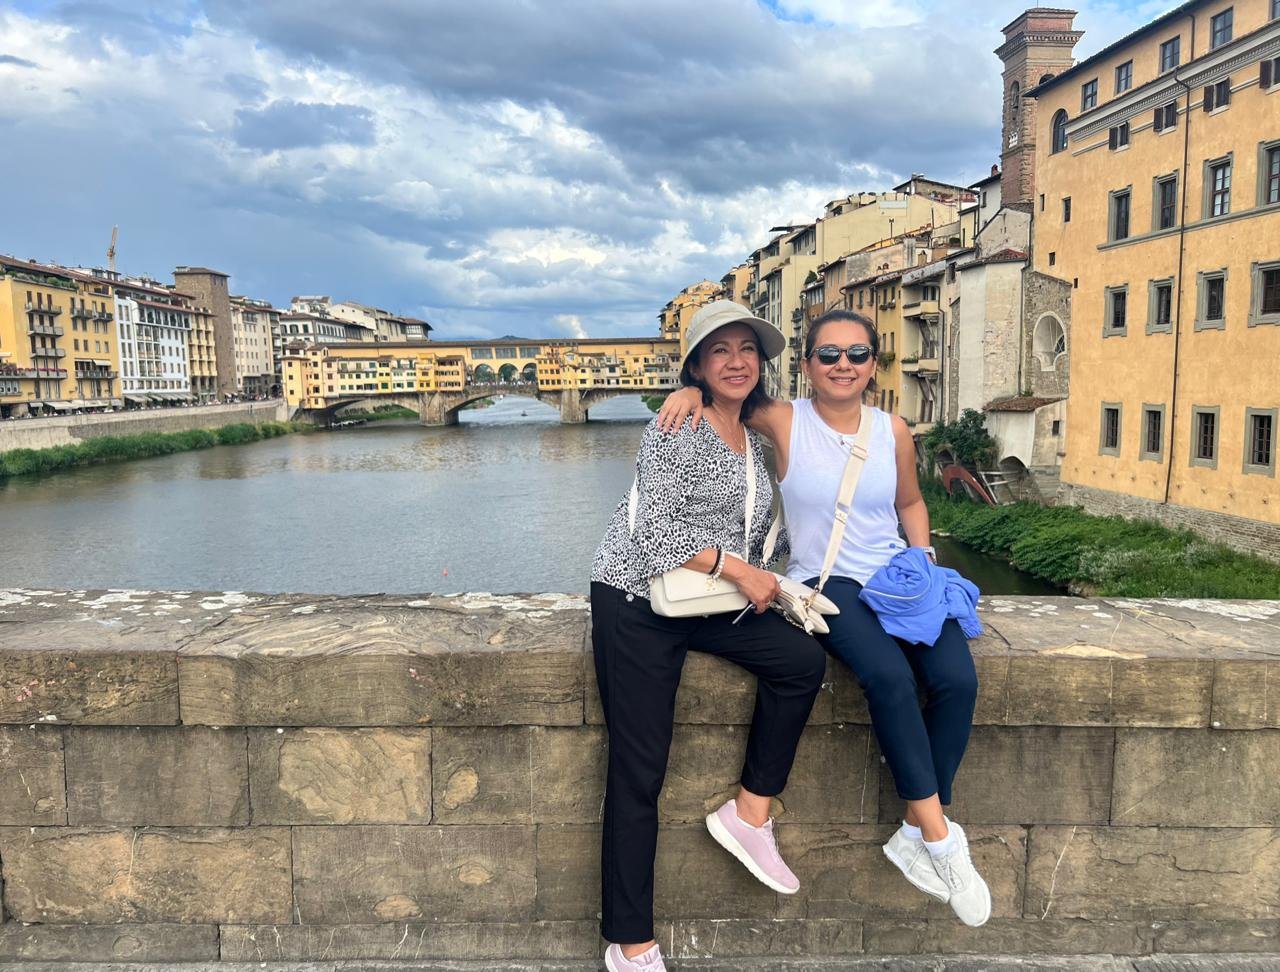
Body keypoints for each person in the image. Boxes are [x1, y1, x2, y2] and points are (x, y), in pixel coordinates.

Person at [658, 308, 991, 927]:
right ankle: (941, 840)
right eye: (829, 355)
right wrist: (687, 387)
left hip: (896, 577)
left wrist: (924, 561)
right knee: (889, 679)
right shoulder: (783, 419)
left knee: (957, 680)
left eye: (858, 355)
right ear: (807, 365)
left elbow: (910, 501)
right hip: (825, 581)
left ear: (873, 364)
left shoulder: (893, 429)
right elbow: (727, 392)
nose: (844, 365)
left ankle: (913, 836)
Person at [590, 300, 828, 972]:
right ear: (695, 364)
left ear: (762, 364)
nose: (736, 361)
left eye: (747, 349)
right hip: (636, 596)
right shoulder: (677, 424)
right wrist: (742, 571)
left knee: (801, 663)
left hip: (708, 596)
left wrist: (765, 577)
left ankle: (750, 815)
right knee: (640, 770)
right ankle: (630, 943)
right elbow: (654, 531)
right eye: (718, 351)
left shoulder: (754, 439)